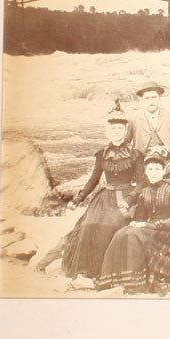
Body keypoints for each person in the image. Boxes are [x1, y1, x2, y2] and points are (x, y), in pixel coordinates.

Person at [36, 101, 142, 281]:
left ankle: (106, 271)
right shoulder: (102, 154)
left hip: (126, 197)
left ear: (126, 132)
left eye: (120, 129)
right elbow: (93, 179)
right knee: (87, 227)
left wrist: (131, 198)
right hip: (104, 198)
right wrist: (78, 199)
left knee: (113, 226)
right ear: (107, 132)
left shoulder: (135, 154)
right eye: (113, 129)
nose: (117, 132)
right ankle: (85, 269)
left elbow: (141, 182)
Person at [96, 147, 170, 295]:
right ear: (146, 172)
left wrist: (150, 225)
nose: (153, 172)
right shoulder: (144, 192)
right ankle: (124, 279)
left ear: (163, 171)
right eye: (150, 169)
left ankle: (136, 284)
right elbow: (140, 216)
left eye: (157, 169)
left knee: (134, 235)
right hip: (149, 229)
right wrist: (137, 222)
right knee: (122, 233)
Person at [128, 81, 170, 202]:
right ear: (142, 101)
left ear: (159, 98)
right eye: (147, 98)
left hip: (167, 162)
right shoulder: (134, 119)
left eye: (154, 97)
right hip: (143, 165)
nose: (151, 101)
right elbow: (124, 144)